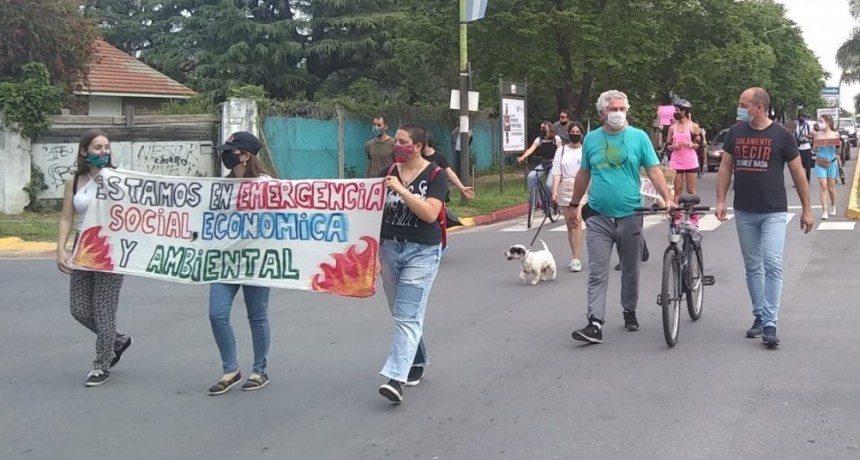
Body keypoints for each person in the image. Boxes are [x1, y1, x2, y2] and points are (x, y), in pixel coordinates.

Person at [569, 90, 674, 344]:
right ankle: (595, 322)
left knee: (630, 269)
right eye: (612, 109)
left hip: (630, 215)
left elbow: (654, 170)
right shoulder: (592, 140)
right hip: (598, 217)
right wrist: (574, 204)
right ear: (602, 112)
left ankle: (629, 309)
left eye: (621, 108)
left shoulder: (638, 138)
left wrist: (668, 198)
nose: (617, 113)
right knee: (597, 272)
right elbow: (584, 173)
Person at [715, 87, 813, 348]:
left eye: (743, 103)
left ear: (758, 107)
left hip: (774, 211)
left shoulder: (782, 136)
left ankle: (770, 322)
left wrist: (807, 209)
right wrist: (721, 200)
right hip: (744, 209)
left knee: (773, 262)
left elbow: (798, 173)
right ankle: (759, 315)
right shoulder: (736, 133)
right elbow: (725, 167)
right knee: (752, 265)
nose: (739, 107)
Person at [377, 123, 448, 404]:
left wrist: (402, 191)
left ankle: (396, 377)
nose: (396, 145)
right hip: (390, 248)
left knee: (407, 314)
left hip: (422, 251)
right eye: (396, 141)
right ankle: (416, 359)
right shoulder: (387, 173)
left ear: (417, 146)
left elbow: (430, 213)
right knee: (401, 311)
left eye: (402, 141)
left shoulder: (435, 175)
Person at [57, 129, 132, 387]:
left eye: (107, 147)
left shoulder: (118, 179)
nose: (103, 152)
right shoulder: (74, 181)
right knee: (79, 309)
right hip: (83, 247)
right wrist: (61, 249)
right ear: (84, 151)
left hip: (111, 248)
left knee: (103, 310)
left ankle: (102, 364)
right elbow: (67, 216)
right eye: (98, 147)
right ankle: (117, 341)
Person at [207, 131, 275, 395]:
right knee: (217, 314)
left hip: (257, 261)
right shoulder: (220, 188)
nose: (225, 156)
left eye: (230, 151)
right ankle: (230, 369)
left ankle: (260, 370)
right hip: (225, 261)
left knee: (257, 316)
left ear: (245, 155)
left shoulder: (267, 185)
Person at [551, 121, 587, 272]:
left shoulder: (585, 150)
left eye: (578, 133)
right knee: (569, 223)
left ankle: (577, 258)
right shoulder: (561, 150)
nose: (575, 135)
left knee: (577, 219)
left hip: (580, 185)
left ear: (582, 135)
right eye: (572, 132)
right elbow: (557, 171)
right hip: (565, 186)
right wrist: (554, 190)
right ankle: (573, 255)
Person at [666, 99, 701, 226]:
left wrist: (689, 144)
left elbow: (698, 144)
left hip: (690, 160)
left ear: (684, 111)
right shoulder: (671, 128)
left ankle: (694, 217)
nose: (675, 113)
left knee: (691, 189)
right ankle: (677, 216)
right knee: (677, 189)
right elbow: (668, 145)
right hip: (676, 161)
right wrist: (673, 147)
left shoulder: (693, 126)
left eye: (677, 110)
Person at [422, 132, 475, 200]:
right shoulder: (417, 158)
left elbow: (450, 173)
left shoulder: (439, 157)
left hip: (437, 192)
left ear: (425, 143)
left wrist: (462, 188)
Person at [518, 121, 562, 200]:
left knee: (549, 185)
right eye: (541, 128)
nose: (542, 130)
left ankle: (553, 200)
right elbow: (531, 149)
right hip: (544, 163)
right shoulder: (539, 140)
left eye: (544, 128)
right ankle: (536, 200)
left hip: (554, 164)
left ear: (549, 128)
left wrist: (557, 161)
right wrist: (523, 157)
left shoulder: (556, 139)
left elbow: (560, 151)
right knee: (531, 177)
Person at [812, 114, 839, 220]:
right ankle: (824, 211)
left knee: (831, 188)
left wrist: (838, 145)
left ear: (828, 122)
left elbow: (838, 151)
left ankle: (833, 205)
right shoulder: (817, 135)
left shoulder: (835, 134)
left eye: (821, 121)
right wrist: (816, 145)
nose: (819, 123)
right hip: (820, 163)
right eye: (819, 121)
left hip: (831, 162)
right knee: (823, 186)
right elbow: (814, 150)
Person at [794, 113, 815, 182]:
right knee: (799, 165)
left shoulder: (808, 126)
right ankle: (800, 181)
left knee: (807, 165)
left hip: (806, 147)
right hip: (799, 147)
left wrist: (805, 135)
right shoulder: (796, 126)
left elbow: (812, 136)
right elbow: (795, 135)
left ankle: (807, 180)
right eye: (800, 117)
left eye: (802, 117)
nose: (801, 118)